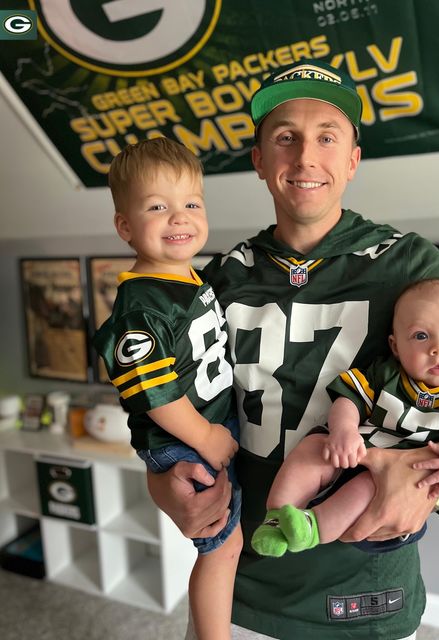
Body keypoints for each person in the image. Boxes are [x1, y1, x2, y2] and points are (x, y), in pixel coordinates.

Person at [146, 60, 439, 640]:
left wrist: (414, 475)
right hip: (240, 576)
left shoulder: (412, 265)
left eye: (326, 137)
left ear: (352, 160)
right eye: (285, 138)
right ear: (259, 160)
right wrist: (161, 482)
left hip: (364, 580)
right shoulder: (219, 278)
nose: (305, 157)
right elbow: (169, 402)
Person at [93, 138, 242, 640]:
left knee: (230, 545)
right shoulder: (141, 305)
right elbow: (154, 393)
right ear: (125, 226)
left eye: (191, 204)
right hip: (186, 438)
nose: (179, 218)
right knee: (220, 549)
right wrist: (206, 437)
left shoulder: (186, 277)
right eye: (158, 207)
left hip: (206, 426)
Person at [251, 279, 439, 557]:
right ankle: (276, 519)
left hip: (404, 482)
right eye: (421, 336)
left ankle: (313, 528)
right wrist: (343, 431)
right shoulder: (386, 373)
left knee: (370, 486)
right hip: (358, 448)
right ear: (396, 346)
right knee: (313, 448)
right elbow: (348, 398)